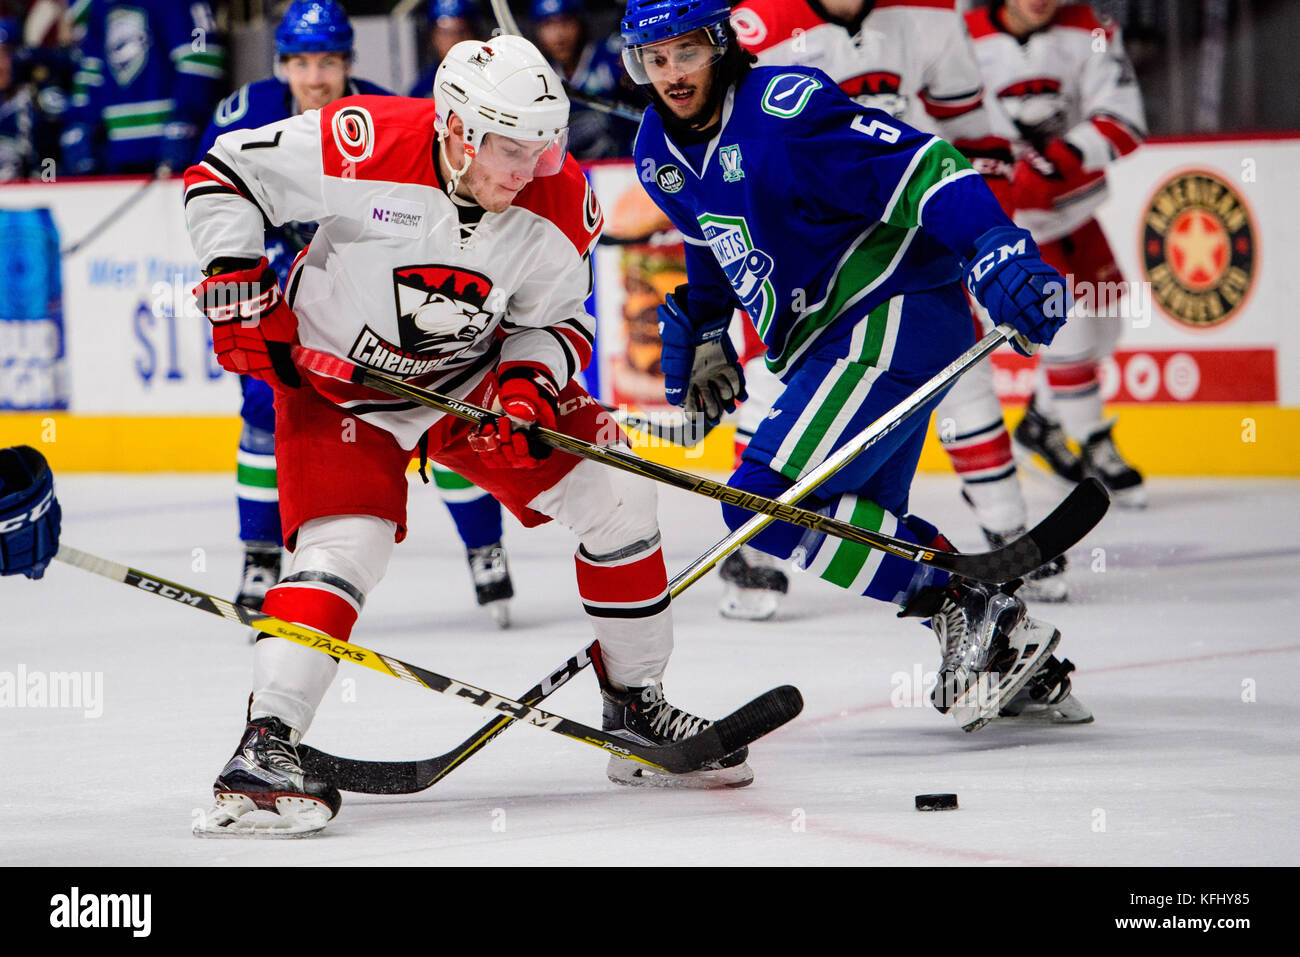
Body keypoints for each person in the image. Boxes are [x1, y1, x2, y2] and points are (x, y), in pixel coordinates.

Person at [184, 34, 751, 835]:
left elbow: (558, 321)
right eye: (510, 149)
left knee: (622, 494)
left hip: (470, 386)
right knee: (345, 548)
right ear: (455, 128)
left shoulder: (558, 194)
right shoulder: (366, 139)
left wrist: (527, 381)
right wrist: (231, 272)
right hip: (339, 386)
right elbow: (224, 172)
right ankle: (264, 746)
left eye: (541, 147)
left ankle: (634, 708)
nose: (528, 170)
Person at [622, 0, 1089, 733]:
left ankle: (965, 605)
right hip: (830, 343)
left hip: (888, 311)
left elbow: (926, 164)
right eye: (654, 58)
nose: (672, 73)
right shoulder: (656, 147)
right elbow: (709, 238)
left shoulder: (787, 108)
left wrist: (995, 244)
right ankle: (993, 631)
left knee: (759, 503)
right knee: (814, 519)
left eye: (686, 51)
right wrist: (709, 324)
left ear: (720, 45)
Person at [720, 0, 1068, 620]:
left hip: (908, 229)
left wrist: (984, 222)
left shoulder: (927, 15)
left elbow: (973, 128)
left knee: (964, 379)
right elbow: (722, 140)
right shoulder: (758, 24)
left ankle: (1006, 534)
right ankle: (757, 553)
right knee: (778, 388)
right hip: (806, 248)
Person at [197, 0, 515, 627]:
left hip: (364, 288)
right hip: (280, 284)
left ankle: (485, 546)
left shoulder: (378, 113)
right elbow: (220, 203)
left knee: (430, 407)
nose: (316, 78)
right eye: (302, 62)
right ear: (282, 64)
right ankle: (260, 558)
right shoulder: (245, 114)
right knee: (264, 411)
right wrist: (245, 278)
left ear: (349, 63)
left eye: (330, 61)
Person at [968, 0, 1148, 507]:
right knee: (1066, 324)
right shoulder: (957, 38)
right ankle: (1092, 440)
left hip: (1074, 209)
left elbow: (1124, 119)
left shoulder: (1090, 30)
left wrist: (1055, 160)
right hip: (1013, 221)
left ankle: (1041, 424)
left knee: (1109, 322)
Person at [60, 0, 224, 174]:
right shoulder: (99, 6)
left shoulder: (179, 3)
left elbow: (201, 59)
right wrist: (80, 125)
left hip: (172, 153)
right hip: (116, 153)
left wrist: (186, 122)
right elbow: (90, 72)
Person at [531, 0, 640, 159]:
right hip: (571, 169)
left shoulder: (611, 57)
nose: (558, 35)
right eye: (548, 25)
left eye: (565, 22)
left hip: (625, 164)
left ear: (580, 23)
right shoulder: (538, 76)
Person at [409, 0, 481, 99]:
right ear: (433, 37)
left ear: (474, 34)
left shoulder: (490, 78)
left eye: (460, 31)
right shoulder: (423, 90)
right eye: (445, 33)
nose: (453, 40)